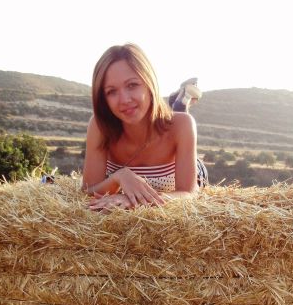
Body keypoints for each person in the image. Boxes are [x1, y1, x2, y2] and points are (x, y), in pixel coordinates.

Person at [82, 43, 207, 211]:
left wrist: (134, 200)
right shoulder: (100, 127)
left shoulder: (182, 125)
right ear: (103, 99)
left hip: (191, 167)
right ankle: (176, 102)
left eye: (132, 85)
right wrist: (120, 177)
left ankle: (180, 103)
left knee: (180, 115)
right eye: (111, 91)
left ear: (149, 84)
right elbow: (87, 190)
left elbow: (189, 193)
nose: (124, 100)